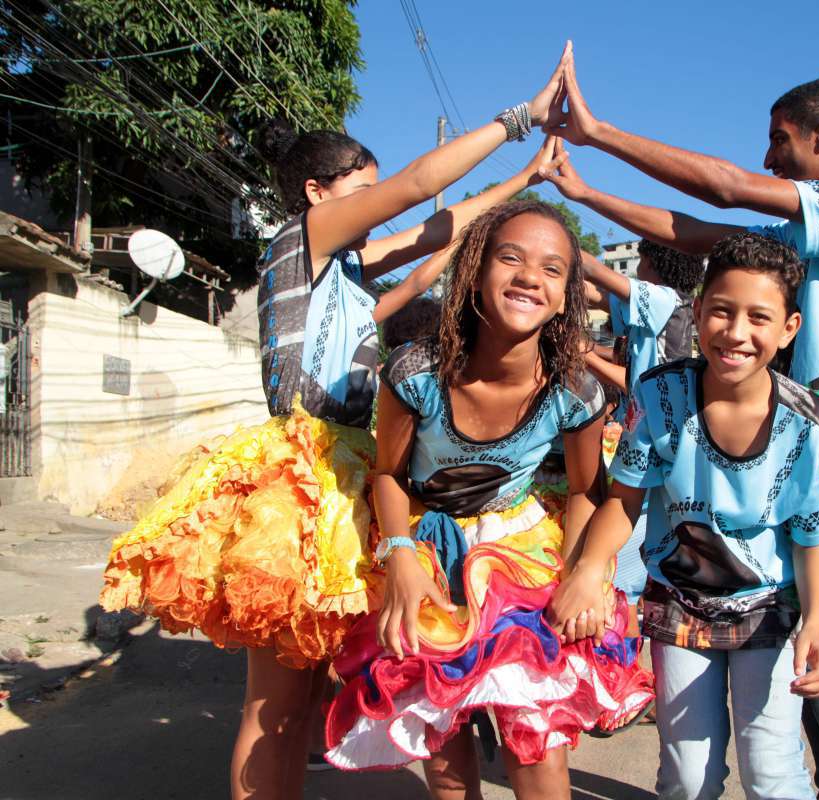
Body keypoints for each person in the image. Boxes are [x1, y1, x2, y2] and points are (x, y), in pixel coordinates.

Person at [100, 44, 575, 800]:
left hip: (346, 476)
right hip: (301, 479)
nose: (378, 203)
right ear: (318, 194)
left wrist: (525, 182)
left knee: (309, 704)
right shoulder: (305, 240)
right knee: (276, 709)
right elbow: (419, 187)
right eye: (364, 193)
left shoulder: (345, 267)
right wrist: (521, 118)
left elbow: (435, 237)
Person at [541, 67, 819, 800]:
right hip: (761, 467)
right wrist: (583, 195)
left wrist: (599, 133)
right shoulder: (797, 236)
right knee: (804, 672)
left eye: (780, 140)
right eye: (721, 311)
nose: (768, 158)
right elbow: (695, 232)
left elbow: (726, 189)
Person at [323, 199, 654, 799]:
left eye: (552, 269)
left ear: (566, 297)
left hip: (518, 553)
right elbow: (389, 474)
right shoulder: (415, 373)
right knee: (441, 744)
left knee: (536, 745)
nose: (530, 277)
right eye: (511, 258)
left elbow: (586, 490)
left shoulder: (576, 392)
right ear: (475, 273)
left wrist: (581, 575)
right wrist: (399, 557)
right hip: (423, 548)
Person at [555, 232, 819, 799]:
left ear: (789, 328)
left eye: (759, 317)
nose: (737, 332)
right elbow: (624, 499)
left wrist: (816, 624)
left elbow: (812, 538)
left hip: (768, 609)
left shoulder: (811, 425)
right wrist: (588, 570)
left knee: (772, 773)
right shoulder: (659, 396)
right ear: (697, 312)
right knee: (687, 776)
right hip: (678, 602)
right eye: (722, 310)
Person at [581, 242, 705, 607]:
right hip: (642, 427)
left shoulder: (664, 299)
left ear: (654, 263)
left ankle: (622, 600)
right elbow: (597, 296)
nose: (637, 269)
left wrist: (557, 248)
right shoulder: (656, 307)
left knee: (631, 520)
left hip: (655, 433)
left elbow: (596, 272)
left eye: (642, 261)